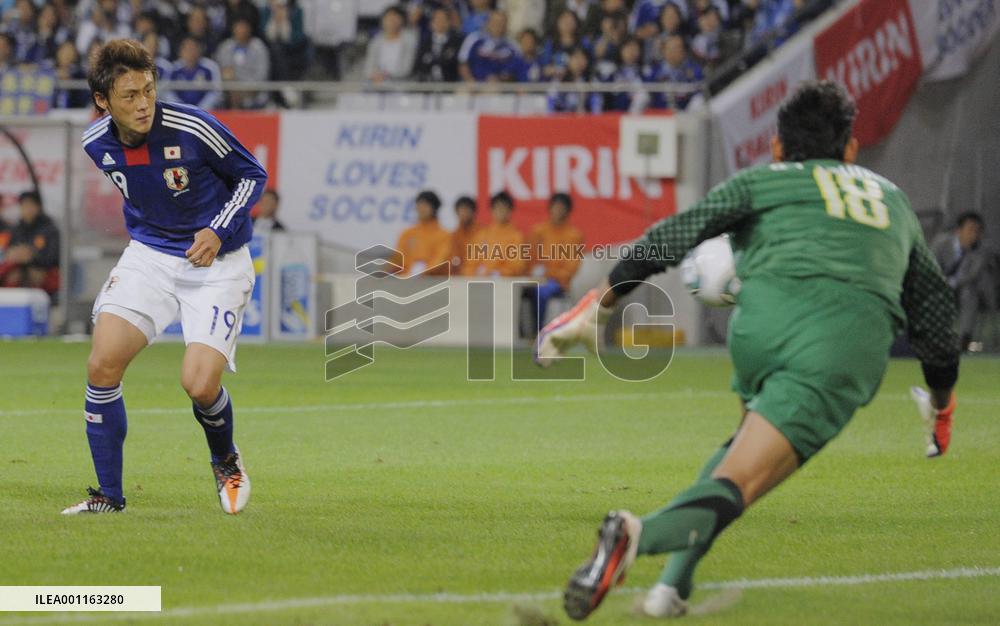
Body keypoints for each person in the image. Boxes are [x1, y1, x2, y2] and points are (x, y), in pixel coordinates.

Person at [536, 81, 961, 620]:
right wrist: (942, 402)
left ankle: (670, 590)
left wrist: (602, 303)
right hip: (834, 347)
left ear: (778, 148)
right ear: (851, 150)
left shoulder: (761, 181)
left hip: (758, 326)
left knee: (742, 448)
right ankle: (635, 537)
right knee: (744, 481)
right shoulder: (893, 201)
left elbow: (675, 234)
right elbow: (935, 313)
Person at [63, 39, 267, 516]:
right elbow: (143, 190)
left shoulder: (192, 126)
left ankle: (226, 460)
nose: (143, 104)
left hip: (216, 261)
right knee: (102, 365)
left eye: (148, 91)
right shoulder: (97, 144)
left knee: (198, 384)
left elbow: (251, 175)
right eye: (130, 95)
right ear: (102, 101)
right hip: (151, 257)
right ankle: (109, 498)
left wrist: (217, 230)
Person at [525, 193, 583, 333]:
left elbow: (571, 267)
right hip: (534, 279)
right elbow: (529, 257)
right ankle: (519, 333)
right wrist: (531, 271)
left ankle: (538, 332)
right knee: (514, 291)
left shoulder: (574, 235)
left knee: (542, 292)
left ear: (568, 211)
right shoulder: (538, 231)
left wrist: (548, 273)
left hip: (558, 283)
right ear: (550, 208)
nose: (558, 211)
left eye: (562, 208)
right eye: (555, 207)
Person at [931, 212, 989, 351]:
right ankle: (932, 337)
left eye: (977, 231)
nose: (974, 234)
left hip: (960, 287)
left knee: (970, 293)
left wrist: (951, 283)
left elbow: (971, 276)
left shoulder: (980, 251)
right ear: (959, 230)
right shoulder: (941, 243)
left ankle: (964, 339)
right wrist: (941, 281)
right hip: (936, 284)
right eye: (970, 229)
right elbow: (931, 264)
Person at [0, 191, 60, 296]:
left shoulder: (50, 230)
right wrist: (14, 254)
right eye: (24, 206)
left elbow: (53, 257)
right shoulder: (16, 229)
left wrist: (32, 256)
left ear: (38, 207)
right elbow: (8, 252)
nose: (27, 209)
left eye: (30, 205)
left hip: (44, 271)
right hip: (19, 269)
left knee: (35, 276)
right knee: (13, 276)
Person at [464, 191, 526, 277]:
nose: (500, 211)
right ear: (491, 210)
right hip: (480, 283)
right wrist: (475, 273)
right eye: (497, 208)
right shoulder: (482, 235)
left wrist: (499, 273)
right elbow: (470, 265)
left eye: (503, 208)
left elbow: (517, 266)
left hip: (505, 283)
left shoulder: (516, 237)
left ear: (510, 211)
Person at [390, 190, 451, 276]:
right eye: (419, 204)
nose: (422, 208)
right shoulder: (407, 234)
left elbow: (440, 260)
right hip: (406, 281)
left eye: (426, 205)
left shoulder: (444, 235)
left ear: (434, 208)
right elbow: (397, 261)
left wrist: (421, 272)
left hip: (432, 281)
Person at [215, 17, 270, 108]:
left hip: (253, 91)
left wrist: (245, 88)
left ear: (250, 29)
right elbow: (223, 72)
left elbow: (262, 75)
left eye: (244, 27)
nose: (241, 31)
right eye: (239, 27)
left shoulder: (258, 47)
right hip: (231, 91)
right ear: (233, 29)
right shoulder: (225, 47)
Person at [458, 10, 518, 83]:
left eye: (502, 22)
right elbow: (463, 63)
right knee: (462, 92)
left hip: (500, 85)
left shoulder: (512, 44)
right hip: (473, 83)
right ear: (488, 23)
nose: (498, 25)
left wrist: (502, 79)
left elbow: (516, 69)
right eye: (495, 21)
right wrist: (470, 81)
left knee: (493, 90)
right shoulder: (474, 38)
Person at [363, 6, 418, 84]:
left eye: (394, 18)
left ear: (401, 20)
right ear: (383, 21)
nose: (391, 22)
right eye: (388, 19)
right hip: (376, 83)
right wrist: (374, 75)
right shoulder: (376, 41)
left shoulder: (409, 40)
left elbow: (406, 69)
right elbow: (368, 68)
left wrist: (386, 76)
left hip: (400, 84)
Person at [167, 37, 223, 110]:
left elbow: (215, 91)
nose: (190, 52)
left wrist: (200, 110)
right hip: (180, 110)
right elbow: (168, 91)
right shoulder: (174, 68)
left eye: (193, 48)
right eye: (187, 49)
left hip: (206, 111)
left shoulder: (210, 67)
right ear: (181, 51)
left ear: (199, 50)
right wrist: (180, 107)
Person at [413, 7, 463, 82]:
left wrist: (431, 60)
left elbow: (454, 64)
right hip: (427, 85)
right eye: (436, 19)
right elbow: (418, 64)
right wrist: (442, 59)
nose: (439, 22)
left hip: (450, 85)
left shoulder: (456, 41)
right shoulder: (424, 42)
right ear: (431, 23)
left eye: (443, 19)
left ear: (449, 22)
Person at [449, 195, 481, 275]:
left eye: (467, 209)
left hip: (476, 275)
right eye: (462, 210)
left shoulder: (482, 233)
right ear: (456, 212)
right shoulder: (454, 235)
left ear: (473, 212)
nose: (464, 213)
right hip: (458, 277)